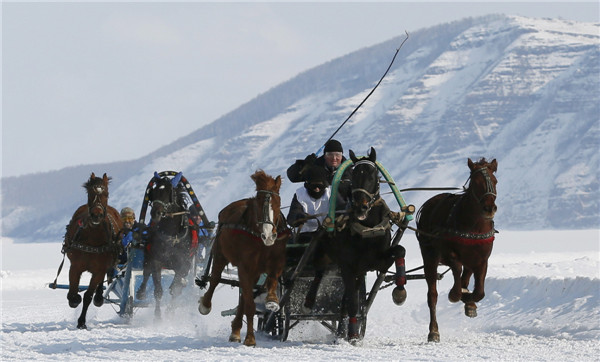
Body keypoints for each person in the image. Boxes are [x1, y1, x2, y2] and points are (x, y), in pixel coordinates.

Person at [286, 139, 352, 210]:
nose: (334, 158)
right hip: (318, 211)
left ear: (342, 156)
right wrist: (303, 164)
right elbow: (293, 177)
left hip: (343, 212)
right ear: (324, 156)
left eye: (338, 155)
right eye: (330, 155)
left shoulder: (349, 171)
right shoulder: (315, 168)